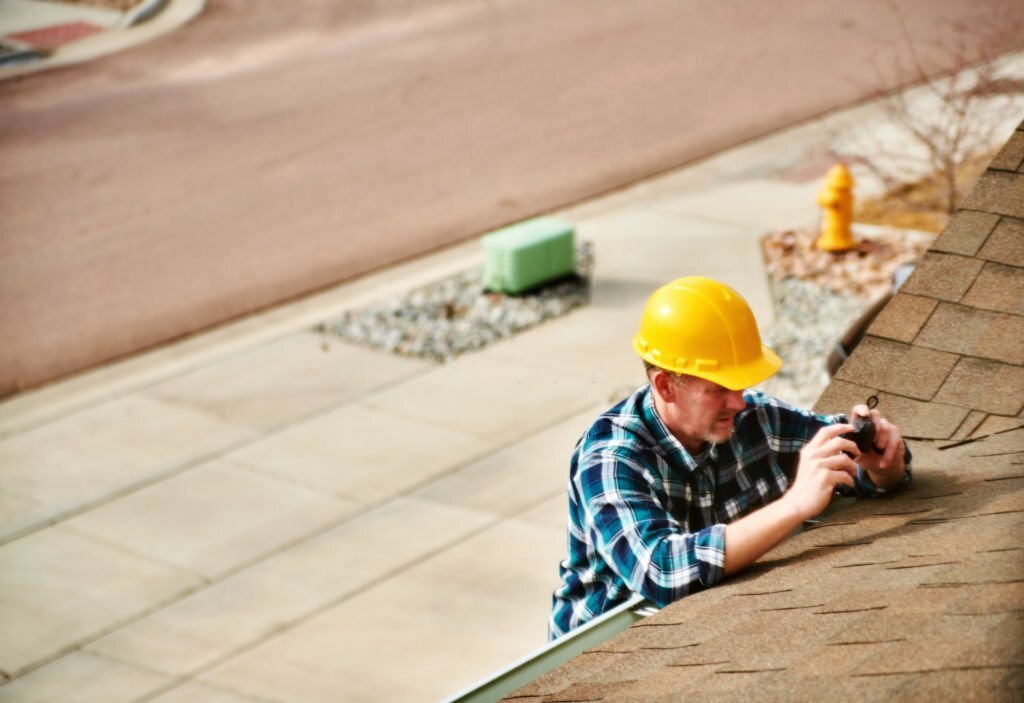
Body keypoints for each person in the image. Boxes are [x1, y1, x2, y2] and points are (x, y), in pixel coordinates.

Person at [548, 276, 911, 640]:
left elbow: (849, 454)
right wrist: (796, 504)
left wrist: (883, 466)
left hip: (707, 629)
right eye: (720, 389)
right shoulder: (610, 459)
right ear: (665, 386)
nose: (738, 402)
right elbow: (662, 572)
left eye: (740, 383)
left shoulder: (752, 418)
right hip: (599, 655)